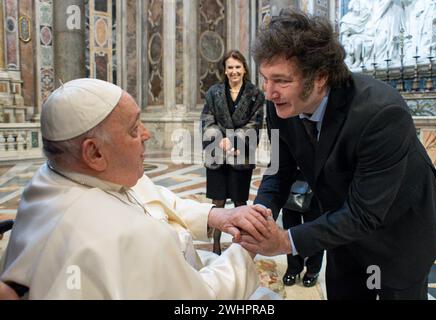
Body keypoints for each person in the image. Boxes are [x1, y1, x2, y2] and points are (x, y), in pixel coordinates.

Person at [238, 9, 436, 300]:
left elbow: (365, 213)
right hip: (342, 232)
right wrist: (259, 216)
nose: (269, 91)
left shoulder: (381, 113)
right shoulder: (280, 108)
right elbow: (279, 170)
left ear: (320, 77)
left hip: (398, 237)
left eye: (281, 80)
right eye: (265, 78)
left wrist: (285, 241)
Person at [0, 78, 274, 299]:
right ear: (94, 153)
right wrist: (244, 250)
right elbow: (204, 298)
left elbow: (154, 199)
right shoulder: (126, 235)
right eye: (133, 129)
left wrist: (217, 216)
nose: (146, 134)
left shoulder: (56, 177)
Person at [201, 50, 265, 255]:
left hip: (242, 154)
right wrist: (220, 139)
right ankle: (216, 245)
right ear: (225, 70)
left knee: (239, 202)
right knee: (217, 202)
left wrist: (235, 139)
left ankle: (240, 244)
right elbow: (207, 119)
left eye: (238, 67)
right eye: (230, 67)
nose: (234, 71)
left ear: (244, 69)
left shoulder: (255, 94)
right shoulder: (213, 92)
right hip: (217, 153)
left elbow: (256, 122)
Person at [276, 173, 324, 288]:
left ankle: (313, 269)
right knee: (290, 228)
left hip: (317, 184)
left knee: (315, 230)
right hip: (291, 182)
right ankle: (294, 267)